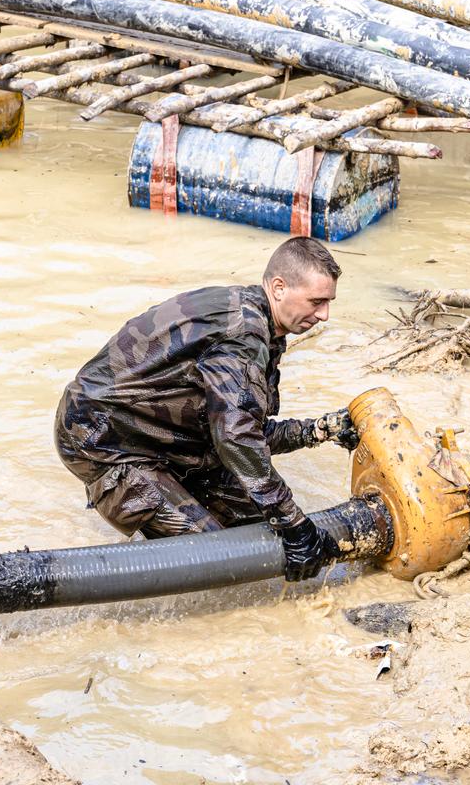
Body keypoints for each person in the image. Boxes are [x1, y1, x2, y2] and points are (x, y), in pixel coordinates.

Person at [55, 237, 358, 583]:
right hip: (102, 441)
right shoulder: (243, 334)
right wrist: (292, 522)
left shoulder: (258, 322)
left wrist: (318, 430)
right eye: (316, 302)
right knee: (217, 555)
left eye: (329, 302)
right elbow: (236, 439)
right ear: (279, 288)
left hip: (159, 434)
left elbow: (243, 428)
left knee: (257, 524)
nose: (324, 315)